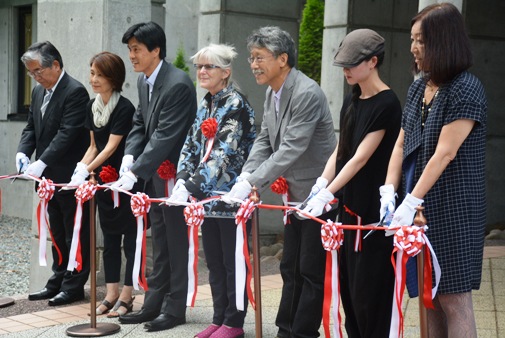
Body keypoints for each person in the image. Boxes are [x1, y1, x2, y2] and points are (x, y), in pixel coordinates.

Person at [380, 3, 487, 337]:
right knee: (429, 298)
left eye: (421, 40)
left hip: (454, 208)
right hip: (419, 207)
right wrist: (388, 190)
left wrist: (410, 201)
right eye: (412, 39)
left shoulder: (466, 88)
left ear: (445, 41)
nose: (413, 48)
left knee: (454, 299)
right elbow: (401, 143)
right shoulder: (417, 87)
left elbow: (445, 153)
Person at [224, 26, 337, 338]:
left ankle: (302, 333)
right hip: (294, 196)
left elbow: (291, 147)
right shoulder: (272, 91)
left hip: (318, 193)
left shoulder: (306, 92)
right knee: (290, 266)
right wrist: (247, 176)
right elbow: (265, 139)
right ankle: (285, 329)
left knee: (311, 269)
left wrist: (254, 183)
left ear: (283, 59)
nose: (253, 64)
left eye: (260, 58)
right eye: (252, 57)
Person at [299, 29, 402, 337]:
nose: (345, 70)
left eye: (352, 63)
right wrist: (322, 184)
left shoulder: (387, 103)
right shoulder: (353, 98)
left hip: (374, 212)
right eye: (342, 63)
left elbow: (360, 158)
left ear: (373, 61)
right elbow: (342, 150)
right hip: (350, 208)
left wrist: (327, 192)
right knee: (349, 291)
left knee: (370, 294)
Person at [111, 21, 197, 332]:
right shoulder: (143, 80)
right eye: (130, 49)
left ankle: (175, 307)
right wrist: (130, 156)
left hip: (174, 174)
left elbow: (164, 137)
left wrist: (135, 172)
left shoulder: (177, 84)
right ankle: (154, 302)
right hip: (154, 173)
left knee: (175, 240)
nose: (131, 56)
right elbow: (139, 122)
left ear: (155, 50)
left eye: (136, 49)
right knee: (159, 239)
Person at [167, 43, 256, 338]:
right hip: (206, 199)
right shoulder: (207, 103)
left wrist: (190, 187)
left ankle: (234, 322)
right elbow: (191, 145)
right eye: (199, 67)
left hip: (231, 198)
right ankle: (219, 317)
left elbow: (224, 154)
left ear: (226, 72)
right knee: (215, 261)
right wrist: (181, 179)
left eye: (209, 67)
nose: (202, 72)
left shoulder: (235, 104)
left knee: (233, 263)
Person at [17, 41, 91, 306]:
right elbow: (31, 128)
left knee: (75, 231)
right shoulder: (38, 92)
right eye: (31, 73)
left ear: (56, 65)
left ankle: (74, 285)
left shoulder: (75, 92)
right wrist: (24, 152)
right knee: (57, 231)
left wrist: (42, 161)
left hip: (69, 176)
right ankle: (58, 279)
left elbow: (67, 134)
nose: (35, 77)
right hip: (47, 178)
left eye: (38, 71)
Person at [67, 51, 138, 317]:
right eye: (92, 73)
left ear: (114, 78)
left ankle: (128, 295)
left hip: (127, 183)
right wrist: (80, 170)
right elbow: (93, 146)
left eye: (99, 74)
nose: (93, 79)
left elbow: (111, 147)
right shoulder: (91, 106)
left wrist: (85, 169)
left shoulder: (125, 107)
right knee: (109, 239)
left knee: (130, 240)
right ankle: (110, 293)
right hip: (104, 184)